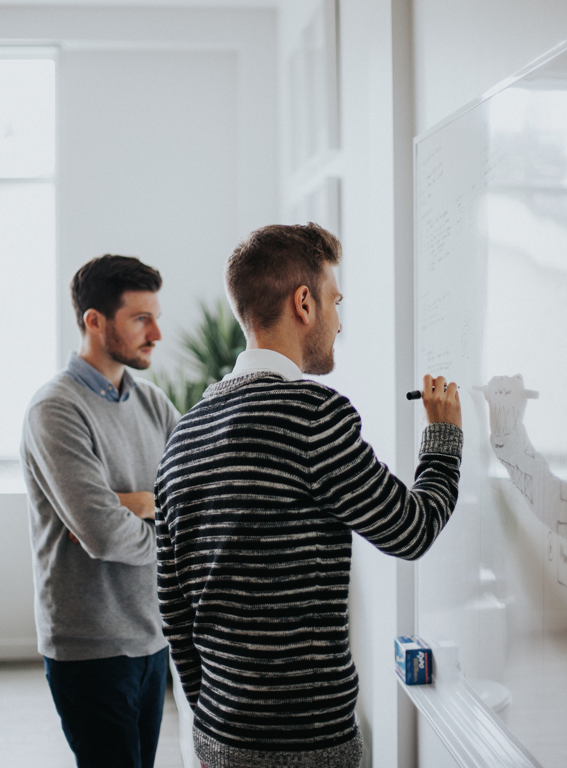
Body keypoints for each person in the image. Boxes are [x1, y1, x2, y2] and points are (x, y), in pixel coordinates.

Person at [155, 223, 463, 768]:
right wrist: (444, 435)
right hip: (307, 743)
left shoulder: (186, 432)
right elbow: (413, 530)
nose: (339, 321)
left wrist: (214, 725)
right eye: (334, 301)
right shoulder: (313, 416)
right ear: (304, 302)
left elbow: (174, 606)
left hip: (217, 736)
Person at [21, 255, 180, 768]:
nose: (156, 332)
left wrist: (130, 503)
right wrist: (161, 521)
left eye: (155, 316)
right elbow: (103, 536)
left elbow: (199, 495)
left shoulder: (153, 403)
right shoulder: (55, 409)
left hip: (153, 635)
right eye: (140, 318)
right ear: (94, 320)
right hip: (90, 647)